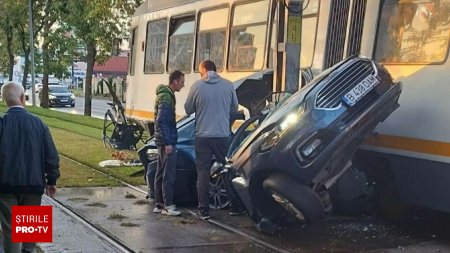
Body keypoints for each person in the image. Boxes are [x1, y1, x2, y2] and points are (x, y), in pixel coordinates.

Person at [0, 82, 60, 253]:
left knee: (10, 230)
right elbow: (51, 155)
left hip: (6, 186)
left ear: (5, 101)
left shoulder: (2, 123)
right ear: (22, 98)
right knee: (30, 229)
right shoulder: (38, 123)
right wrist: (52, 180)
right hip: (34, 185)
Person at [184, 60, 239, 219]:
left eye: (200, 72)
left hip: (202, 136)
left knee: (203, 172)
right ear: (216, 70)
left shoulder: (197, 86)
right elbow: (234, 108)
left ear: (204, 70)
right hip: (222, 135)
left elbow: (188, 110)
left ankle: (203, 210)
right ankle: (234, 205)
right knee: (225, 169)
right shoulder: (228, 85)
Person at [153, 70, 185, 216]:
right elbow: (162, 120)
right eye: (182, 82)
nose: (183, 85)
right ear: (175, 81)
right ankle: (168, 205)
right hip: (166, 140)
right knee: (168, 174)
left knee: (160, 172)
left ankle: (159, 204)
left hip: (161, 140)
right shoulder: (166, 97)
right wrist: (168, 143)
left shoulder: (164, 94)